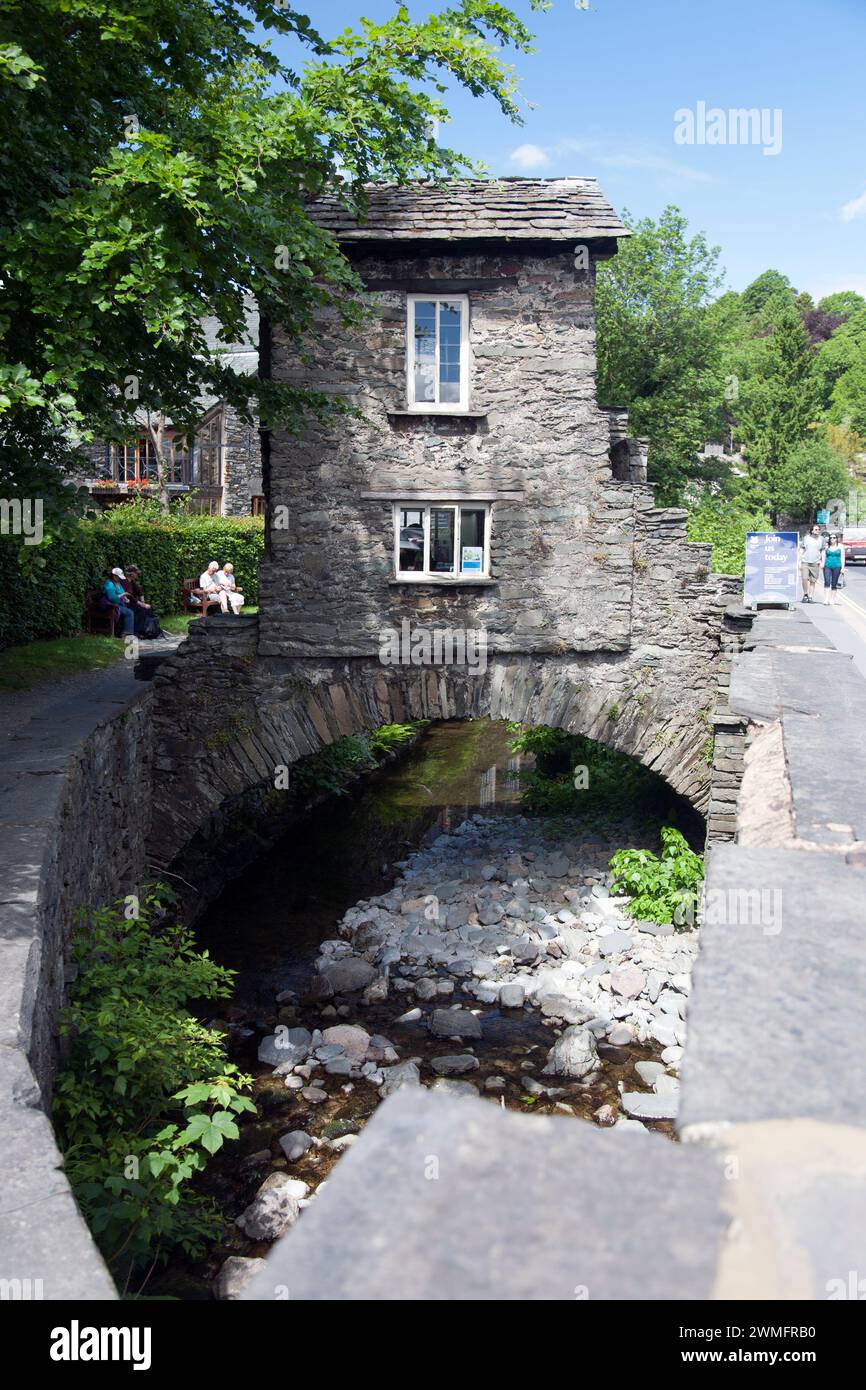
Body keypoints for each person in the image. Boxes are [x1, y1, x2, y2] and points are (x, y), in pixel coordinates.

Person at [122, 565, 161, 638]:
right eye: (136, 573)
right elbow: (130, 596)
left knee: (147, 609)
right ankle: (136, 631)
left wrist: (143, 601)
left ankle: (146, 630)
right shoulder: (124, 582)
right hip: (126, 603)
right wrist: (142, 604)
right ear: (131, 573)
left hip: (133, 603)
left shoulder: (132, 581)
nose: (137, 575)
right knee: (141, 610)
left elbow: (140, 592)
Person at [100, 567, 134, 637]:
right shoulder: (109, 584)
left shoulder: (118, 584)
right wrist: (123, 595)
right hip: (109, 606)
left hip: (117, 604)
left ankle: (126, 631)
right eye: (119, 577)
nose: (120, 579)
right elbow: (112, 598)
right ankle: (126, 633)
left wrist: (125, 598)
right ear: (114, 576)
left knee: (134, 609)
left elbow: (121, 593)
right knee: (129, 613)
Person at [799, 525, 825, 604]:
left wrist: (822, 562)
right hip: (805, 561)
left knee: (813, 581)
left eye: (818, 529)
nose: (818, 531)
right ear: (812, 531)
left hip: (815, 562)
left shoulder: (821, 539)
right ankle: (805, 594)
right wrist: (799, 560)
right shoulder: (806, 538)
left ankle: (810, 597)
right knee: (804, 578)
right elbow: (802, 548)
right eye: (816, 529)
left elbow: (823, 551)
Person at [823, 532, 845, 605]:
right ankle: (826, 599)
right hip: (827, 566)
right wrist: (822, 563)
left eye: (834, 538)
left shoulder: (841, 546)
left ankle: (832, 599)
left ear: (836, 539)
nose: (832, 539)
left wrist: (842, 568)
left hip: (837, 566)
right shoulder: (827, 547)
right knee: (827, 582)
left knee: (834, 583)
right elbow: (823, 556)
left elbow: (842, 557)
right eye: (831, 538)